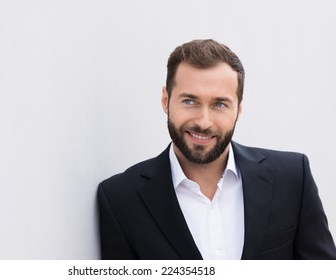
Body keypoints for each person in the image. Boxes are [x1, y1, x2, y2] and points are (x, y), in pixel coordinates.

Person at [97, 39, 336, 260]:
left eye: (220, 104)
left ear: (238, 109)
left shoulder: (293, 177)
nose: (204, 121)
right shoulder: (120, 199)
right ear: (165, 99)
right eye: (189, 101)